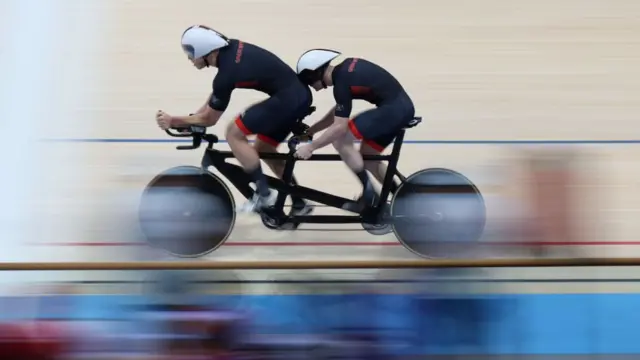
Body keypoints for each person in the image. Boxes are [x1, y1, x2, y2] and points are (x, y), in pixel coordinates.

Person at [156, 25, 313, 215]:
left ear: (204, 50)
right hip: (298, 97)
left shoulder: (226, 73)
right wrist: (190, 120)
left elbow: (209, 119)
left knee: (233, 132)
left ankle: (264, 195)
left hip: (288, 101)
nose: (189, 58)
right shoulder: (230, 55)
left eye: (190, 52)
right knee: (264, 148)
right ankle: (299, 203)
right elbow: (216, 98)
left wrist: (174, 121)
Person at [294, 49, 415, 208]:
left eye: (309, 82)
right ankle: (401, 198)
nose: (313, 88)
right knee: (368, 157)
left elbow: (339, 127)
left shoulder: (342, 82)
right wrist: (311, 131)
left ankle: (369, 194)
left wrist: (311, 147)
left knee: (340, 139)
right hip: (400, 109)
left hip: (392, 111)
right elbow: (338, 112)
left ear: (314, 73)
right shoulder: (344, 73)